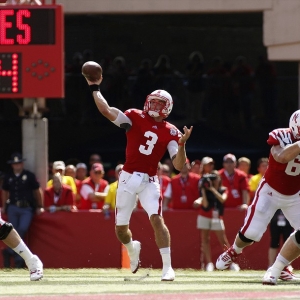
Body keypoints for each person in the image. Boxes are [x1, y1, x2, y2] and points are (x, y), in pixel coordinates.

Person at [84, 68, 193, 281]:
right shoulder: (134, 116)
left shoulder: (171, 131)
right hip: (127, 177)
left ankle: (167, 267)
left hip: (150, 180)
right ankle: (132, 248)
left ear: (167, 108)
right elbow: (106, 110)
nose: (154, 106)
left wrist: (182, 145)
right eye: (153, 101)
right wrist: (94, 87)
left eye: (160, 103)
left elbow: (180, 167)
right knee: (121, 230)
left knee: (156, 219)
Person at [215, 110, 300, 285]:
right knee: (251, 233)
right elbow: (281, 156)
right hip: (270, 190)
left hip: (295, 195)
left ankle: (278, 268)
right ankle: (234, 251)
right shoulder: (281, 135)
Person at [1, 152, 44, 270]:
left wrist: (40, 205)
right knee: (11, 230)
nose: (17, 165)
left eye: (19, 163)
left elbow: (37, 190)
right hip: (13, 207)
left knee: (22, 229)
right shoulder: (8, 177)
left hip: (26, 208)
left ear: (22, 163)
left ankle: (10, 251)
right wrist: (4, 205)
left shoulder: (29, 175)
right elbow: (5, 191)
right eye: (15, 164)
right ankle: (20, 259)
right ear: (12, 165)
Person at [193, 170, 239, 272]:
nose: (214, 180)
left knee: (223, 241)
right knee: (205, 240)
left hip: (217, 217)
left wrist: (212, 189)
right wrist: (204, 190)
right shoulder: (206, 189)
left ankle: (230, 263)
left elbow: (222, 199)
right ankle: (209, 263)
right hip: (204, 216)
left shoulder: (223, 189)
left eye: (216, 177)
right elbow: (204, 205)